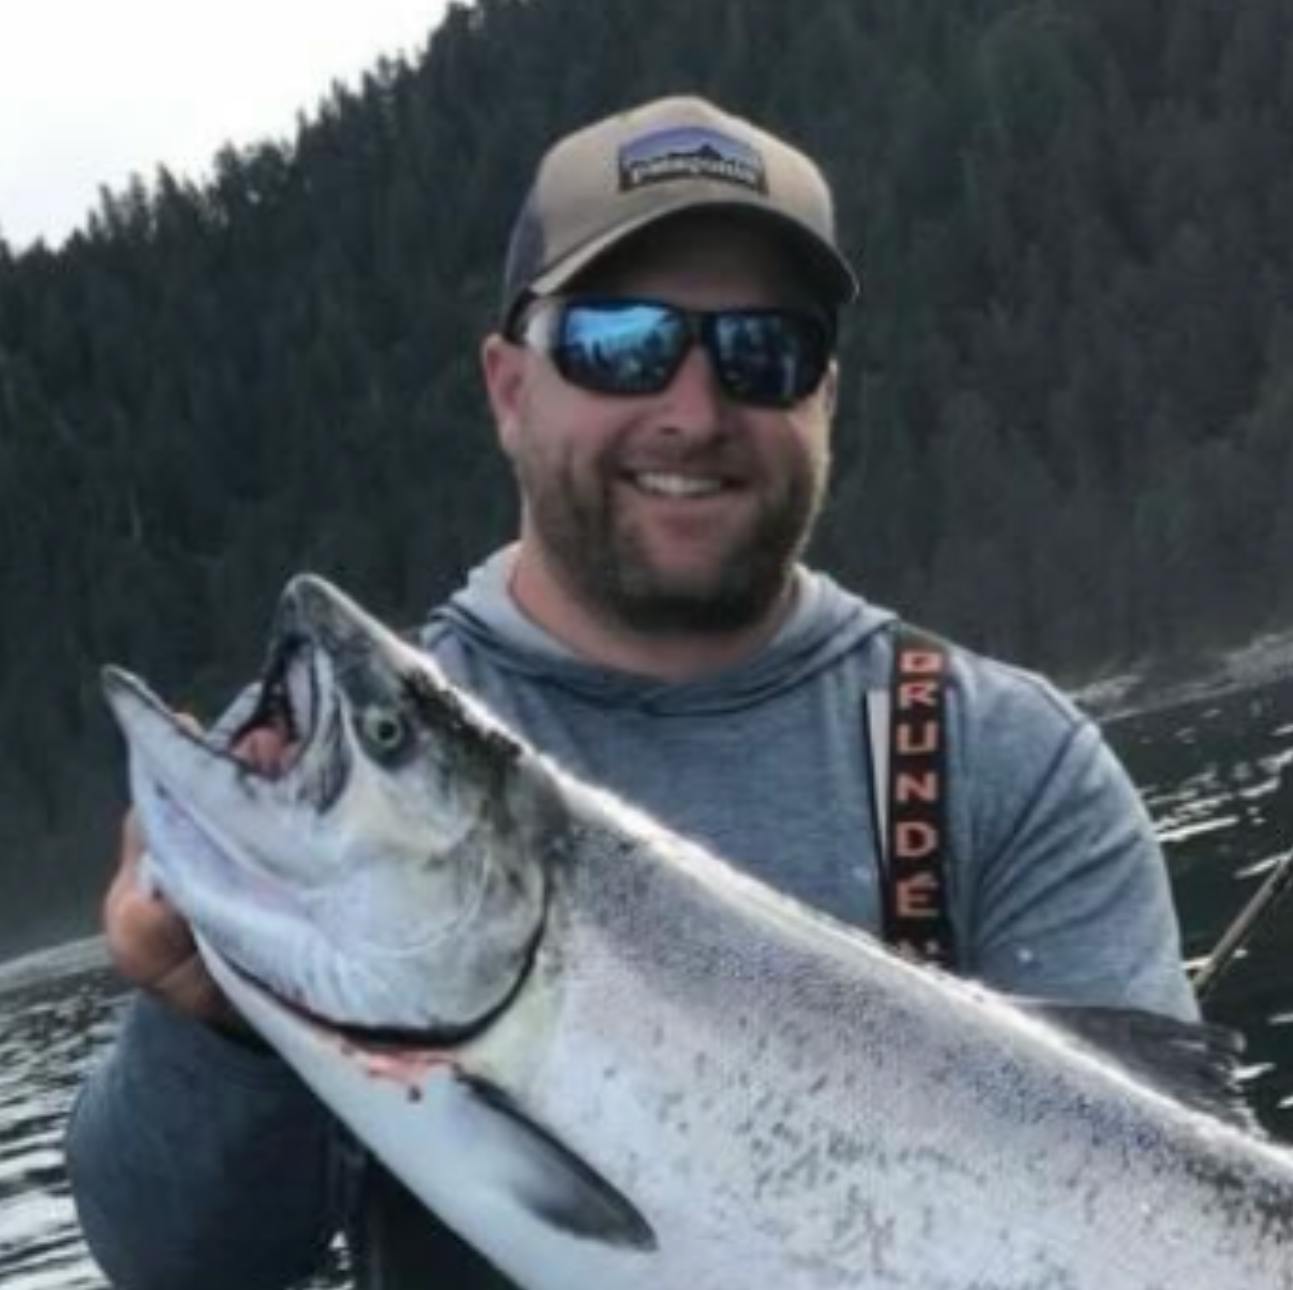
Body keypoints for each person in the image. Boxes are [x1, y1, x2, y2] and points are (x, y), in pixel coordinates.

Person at [65, 95, 1197, 1290]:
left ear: (825, 400)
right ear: (509, 388)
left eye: (766, 352)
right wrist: (217, 1033)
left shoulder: (1007, 762)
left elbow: (1161, 1190)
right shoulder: (347, 780)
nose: (696, 411)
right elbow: (178, 1267)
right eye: (621, 342)